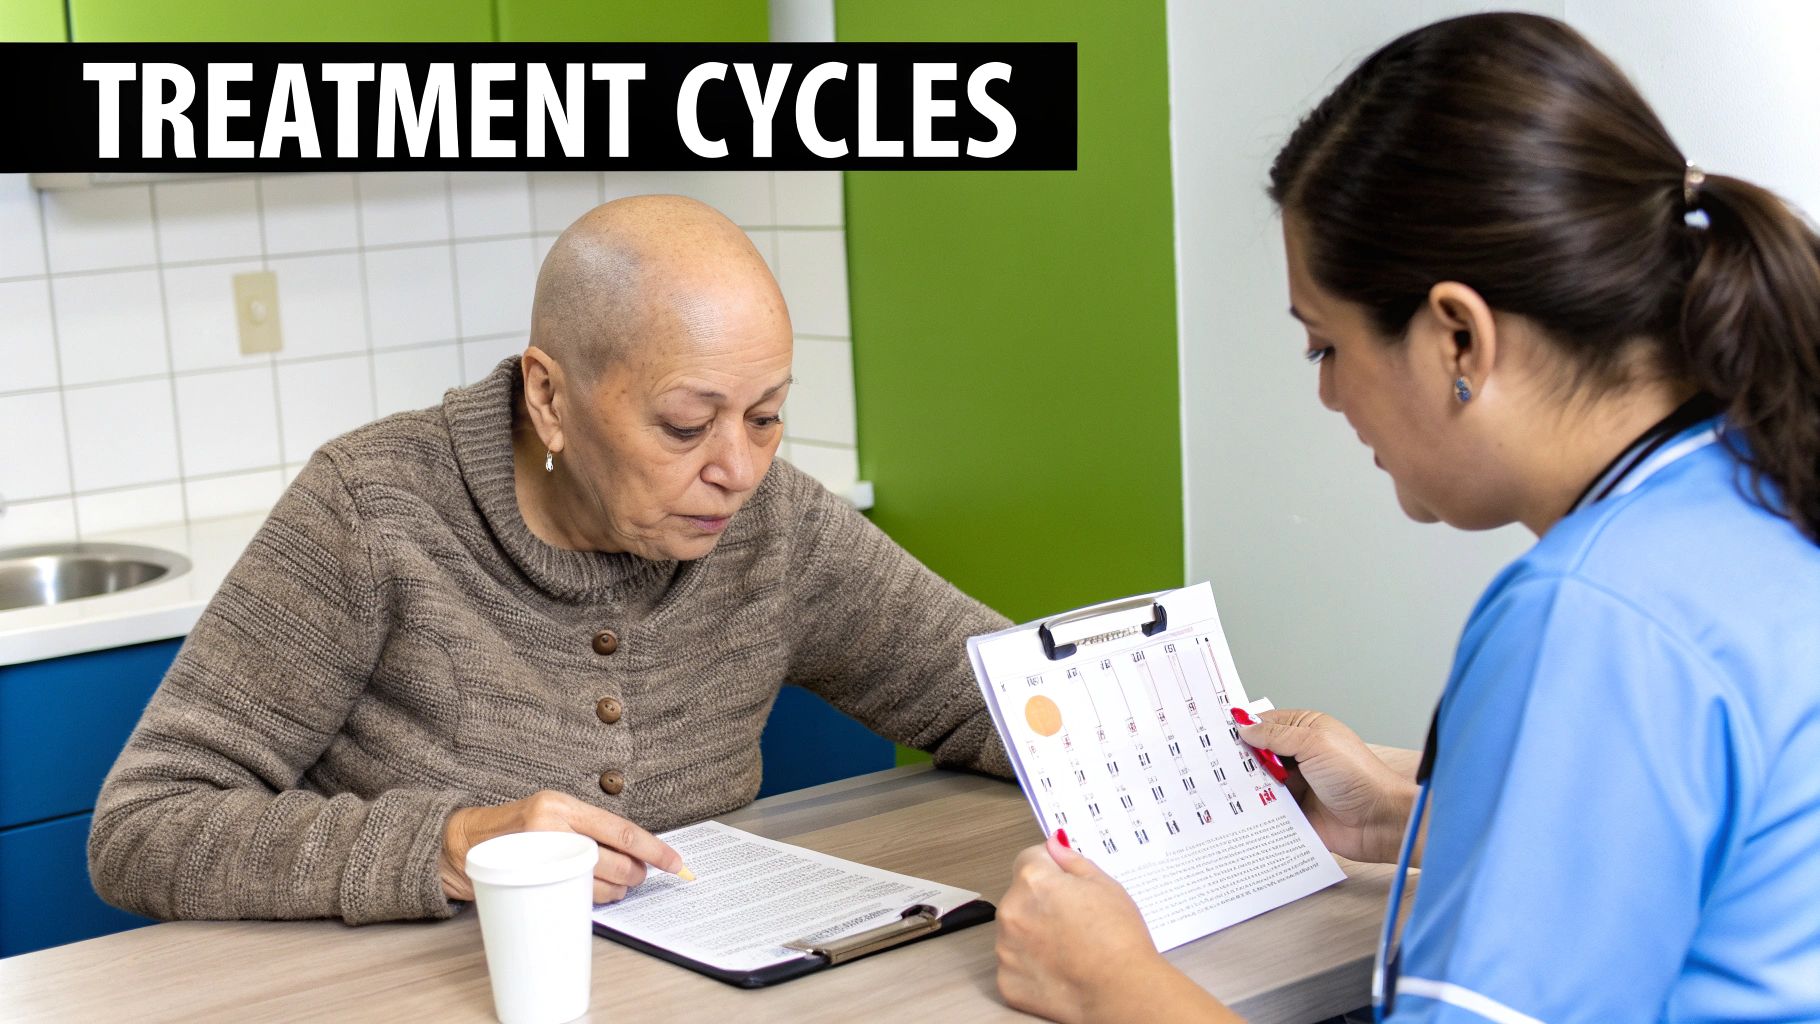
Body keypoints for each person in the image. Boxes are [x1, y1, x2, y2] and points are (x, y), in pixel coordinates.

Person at [995, 13, 1820, 1023]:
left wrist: (1107, 981)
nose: (1327, 395)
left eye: (1324, 347)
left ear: (1457, 336)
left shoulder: (1589, 616)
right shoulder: (1759, 494)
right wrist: (1401, 815)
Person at [89, 195, 1012, 923]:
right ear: (549, 397)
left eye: (766, 415)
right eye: (684, 425)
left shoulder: (776, 525)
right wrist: (451, 846)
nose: (738, 470)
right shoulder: (371, 512)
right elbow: (143, 826)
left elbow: (1003, 699)